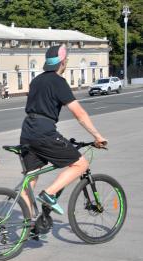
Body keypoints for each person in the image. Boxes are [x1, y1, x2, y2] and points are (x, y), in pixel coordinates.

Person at [20, 45, 107, 216]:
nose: (66, 62)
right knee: (80, 163)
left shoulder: (36, 80)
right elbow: (79, 113)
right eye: (66, 59)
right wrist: (98, 136)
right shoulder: (58, 81)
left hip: (27, 132)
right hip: (43, 132)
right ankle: (49, 194)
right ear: (62, 62)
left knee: (31, 179)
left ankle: (28, 226)